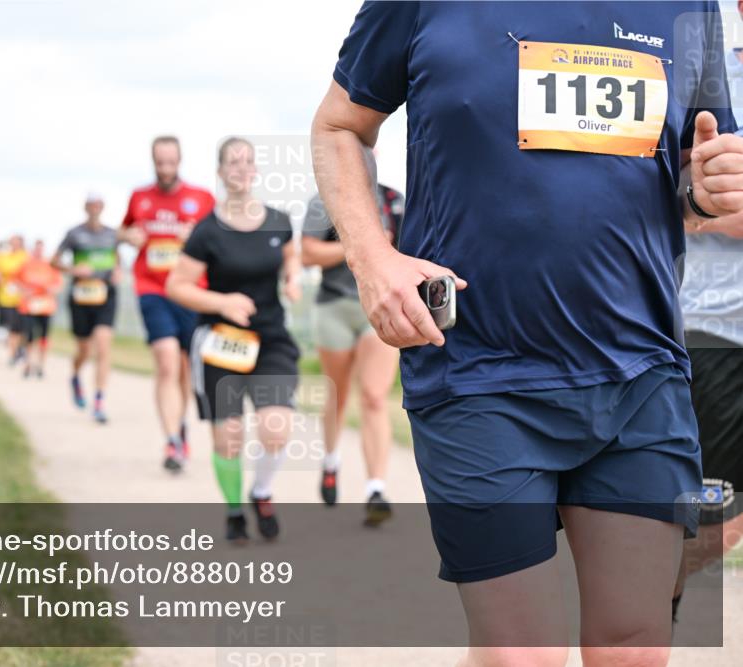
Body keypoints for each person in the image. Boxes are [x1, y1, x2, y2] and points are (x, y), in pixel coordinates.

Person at [312, 3, 741, 665]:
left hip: (640, 374)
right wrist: (373, 260)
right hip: (477, 370)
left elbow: (692, 170)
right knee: (522, 655)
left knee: (633, 648)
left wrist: (713, 189)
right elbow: (340, 125)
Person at [168, 137, 302, 541]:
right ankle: (232, 511)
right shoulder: (207, 231)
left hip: (270, 338)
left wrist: (292, 277)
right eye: (233, 162)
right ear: (221, 172)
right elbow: (178, 286)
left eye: (247, 161)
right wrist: (222, 301)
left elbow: (291, 255)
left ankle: (261, 492)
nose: (241, 168)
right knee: (228, 435)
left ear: (256, 168)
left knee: (276, 426)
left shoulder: (278, 219)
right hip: (221, 340)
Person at [673, 2, 743, 619]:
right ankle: (640, 619)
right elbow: (691, 201)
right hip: (717, 330)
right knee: (714, 524)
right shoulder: (707, 59)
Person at [303, 184, 403, 525]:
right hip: (333, 307)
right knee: (338, 395)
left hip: (377, 305)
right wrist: (360, 245)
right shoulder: (323, 200)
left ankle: (376, 489)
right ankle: (331, 461)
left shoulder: (392, 201)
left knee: (374, 397)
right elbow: (308, 253)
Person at [118, 136, 216, 471]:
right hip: (152, 288)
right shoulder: (140, 197)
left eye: (170, 163)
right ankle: (172, 441)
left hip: (189, 290)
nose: (165, 169)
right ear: (153, 161)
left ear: (179, 160)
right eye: (160, 163)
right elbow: (123, 231)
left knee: (185, 369)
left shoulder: (201, 198)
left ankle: (180, 424)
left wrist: (198, 236)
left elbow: (219, 237)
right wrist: (128, 237)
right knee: (166, 361)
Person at [52, 192, 121, 424]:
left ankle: (99, 401)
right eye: (91, 205)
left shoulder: (112, 234)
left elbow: (117, 258)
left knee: (103, 346)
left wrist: (118, 271)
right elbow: (54, 261)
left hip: (106, 294)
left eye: (98, 204)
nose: (94, 208)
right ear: (85, 207)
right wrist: (73, 270)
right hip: (81, 296)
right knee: (84, 350)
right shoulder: (74, 234)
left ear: (103, 207)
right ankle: (75, 376)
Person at [17, 240, 63, 379]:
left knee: (44, 337)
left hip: (45, 307)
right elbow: (16, 281)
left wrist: (51, 289)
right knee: (29, 336)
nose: (38, 252)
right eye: (36, 249)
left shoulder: (50, 265)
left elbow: (58, 284)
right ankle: (28, 364)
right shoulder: (25, 264)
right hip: (29, 306)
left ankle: (41, 365)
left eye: (41, 249)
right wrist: (25, 290)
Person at [0, 235, 29, 366]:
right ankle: (13, 353)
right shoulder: (2, 257)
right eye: (12, 243)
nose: (14, 245)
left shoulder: (25, 257)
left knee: (21, 328)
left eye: (16, 243)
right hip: (6, 297)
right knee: (12, 327)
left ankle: (20, 350)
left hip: (22, 298)